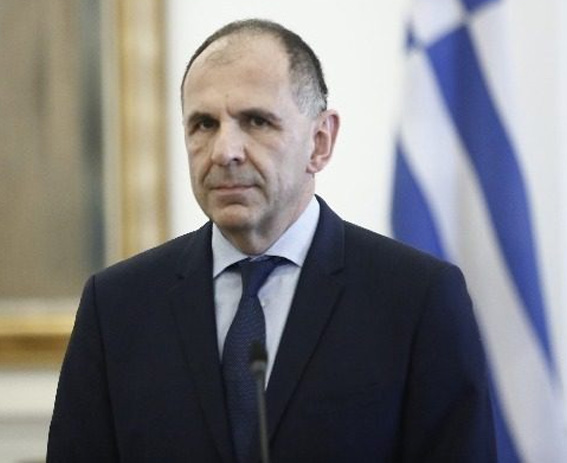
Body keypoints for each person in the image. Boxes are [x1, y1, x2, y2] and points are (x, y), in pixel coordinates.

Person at [47, 19, 496, 463]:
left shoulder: (416, 298)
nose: (225, 151)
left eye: (256, 121)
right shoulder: (117, 305)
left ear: (320, 142)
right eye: (203, 124)